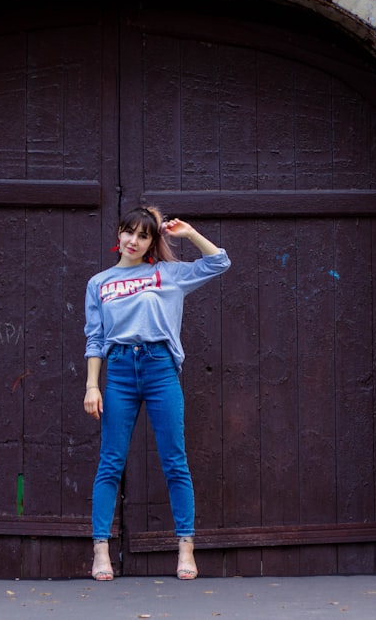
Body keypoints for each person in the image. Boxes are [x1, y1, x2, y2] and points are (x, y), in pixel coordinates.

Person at [83, 206, 231, 581]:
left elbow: (219, 262)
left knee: (174, 460)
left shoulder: (167, 274)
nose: (134, 241)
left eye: (143, 235)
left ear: (151, 242)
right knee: (111, 462)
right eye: (128, 232)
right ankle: (101, 550)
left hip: (160, 367)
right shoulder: (99, 282)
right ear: (118, 234)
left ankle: (186, 547)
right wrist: (91, 386)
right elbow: (95, 339)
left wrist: (190, 233)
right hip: (118, 372)